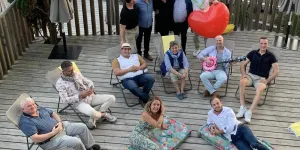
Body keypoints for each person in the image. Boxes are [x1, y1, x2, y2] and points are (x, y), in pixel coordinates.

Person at [19, 97, 101, 150]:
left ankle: (90, 146)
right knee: (76, 142)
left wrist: (60, 123)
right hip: (52, 140)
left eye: (33, 104)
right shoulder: (25, 122)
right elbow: (35, 138)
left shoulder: (39, 109)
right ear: (23, 109)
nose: (33, 107)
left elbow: (53, 114)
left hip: (62, 127)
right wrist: (53, 133)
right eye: (29, 106)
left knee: (82, 127)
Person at [56, 61, 117, 128]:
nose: (72, 71)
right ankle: (104, 114)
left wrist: (91, 88)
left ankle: (93, 117)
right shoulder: (60, 84)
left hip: (90, 97)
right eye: (70, 71)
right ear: (63, 71)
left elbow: (88, 81)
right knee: (92, 113)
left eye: (72, 69)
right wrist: (80, 95)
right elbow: (65, 100)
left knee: (112, 98)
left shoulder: (76, 74)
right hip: (79, 103)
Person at [236, 37, 279, 123]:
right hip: (251, 76)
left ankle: (249, 112)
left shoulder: (271, 56)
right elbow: (242, 64)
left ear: (267, 44)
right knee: (242, 82)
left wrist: (267, 80)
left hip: (261, 79)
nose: (263, 45)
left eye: (265, 43)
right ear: (259, 44)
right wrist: (244, 74)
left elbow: (276, 71)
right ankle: (242, 107)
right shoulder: (253, 53)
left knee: (260, 89)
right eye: (262, 43)